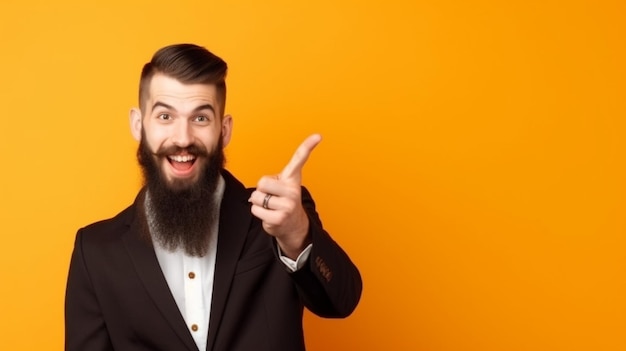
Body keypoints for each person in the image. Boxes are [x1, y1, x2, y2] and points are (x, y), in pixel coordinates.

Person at [64, 43, 362, 351]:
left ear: (224, 129)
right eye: (165, 116)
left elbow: (342, 302)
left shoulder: (277, 216)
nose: (183, 138)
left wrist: (298, 233)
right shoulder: (96, 252)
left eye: (201, 119)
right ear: (139, 126)